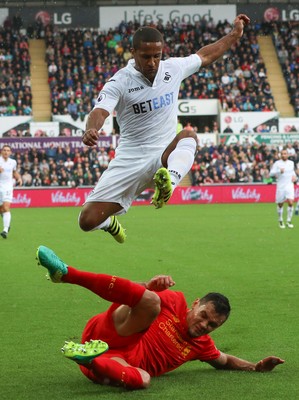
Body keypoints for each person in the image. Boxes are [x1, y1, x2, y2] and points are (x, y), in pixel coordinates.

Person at [79, 15, 250, 244]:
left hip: (164, 155)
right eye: (146, 56)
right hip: (130, 160)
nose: (152, 62)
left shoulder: (173, 69)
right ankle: (111, 223)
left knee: (188, 135)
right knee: (86, 221)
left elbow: (206, 55)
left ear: (162, 53)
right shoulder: (120, 81)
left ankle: (169, 181)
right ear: (133, 52)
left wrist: (234, 34)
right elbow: (100, 111)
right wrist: (92, 129)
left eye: (157, 56)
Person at [36, 245, 284, 390]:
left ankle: (87, 358)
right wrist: (149, 285)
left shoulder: (202, 346)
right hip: (117, 331)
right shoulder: (175, 300)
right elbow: (133, 296)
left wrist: (256, 367)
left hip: (113, 363)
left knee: (143, 380)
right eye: (204, 316)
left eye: (212, 325)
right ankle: (68, 274)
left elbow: (224, 360)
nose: (204, 326)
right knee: (151, 299)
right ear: (195, 304)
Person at [270, 148, 297, 229]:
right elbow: (271, 173)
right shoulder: (277, 163)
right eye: (282, 154)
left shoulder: (291, 163)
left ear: (287, 155)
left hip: (289, 186)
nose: (283, 155)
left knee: (291, 202)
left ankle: (289, 221)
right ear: (280, 155)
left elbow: (293, 172)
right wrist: (279, 171)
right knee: (280, 204)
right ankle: (280, 220)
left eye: (285, 153)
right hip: (281, 186)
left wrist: (295, 177)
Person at [0, 145, 22, 239]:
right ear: (1, 151)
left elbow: (14, 172)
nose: (6, 152)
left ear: (10, 152)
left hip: (8, 187)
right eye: (4, 150)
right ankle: (6, 222)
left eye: (8, 150)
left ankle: (5, 229)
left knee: (6, 206)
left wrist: (19, 178)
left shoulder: (13, 162)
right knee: (2, 209)